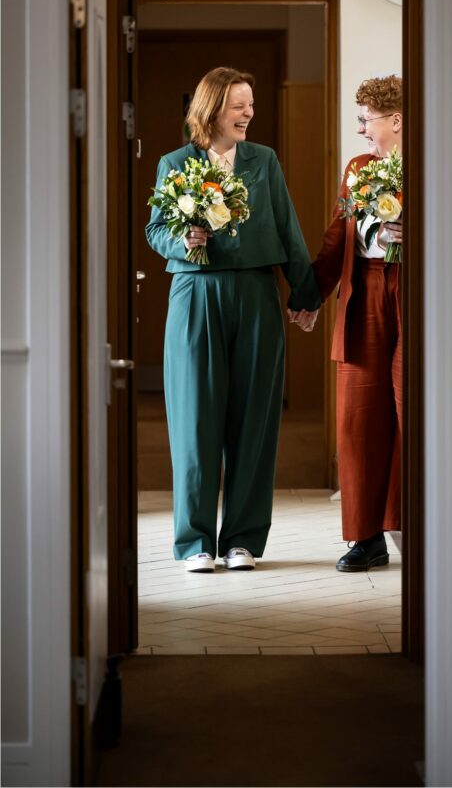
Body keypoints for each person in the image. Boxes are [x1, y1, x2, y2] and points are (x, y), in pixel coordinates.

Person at [146, 66, 320, 573]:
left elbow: (287, 227)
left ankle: (242, 540)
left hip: (257, 294)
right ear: (212, 108)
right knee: (195, 418)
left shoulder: (263, 160)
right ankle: (195, 543)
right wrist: (183, 241)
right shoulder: (174, 162)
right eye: (239, 104)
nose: (249, 113)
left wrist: (304, 294)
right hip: (195, 293)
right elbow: (155, 228)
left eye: (250, 104)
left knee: (254, 420)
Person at [294, 75, 403, 572]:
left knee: (412, 414)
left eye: (366, 120)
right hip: (365, 296)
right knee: (358, 420)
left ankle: (415, 528)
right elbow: (338, 237)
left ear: (396, 120)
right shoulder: (358, 168)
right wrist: (309, 294)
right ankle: (365, 538)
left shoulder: (434, 160)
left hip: (416, 293)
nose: (360, 130)